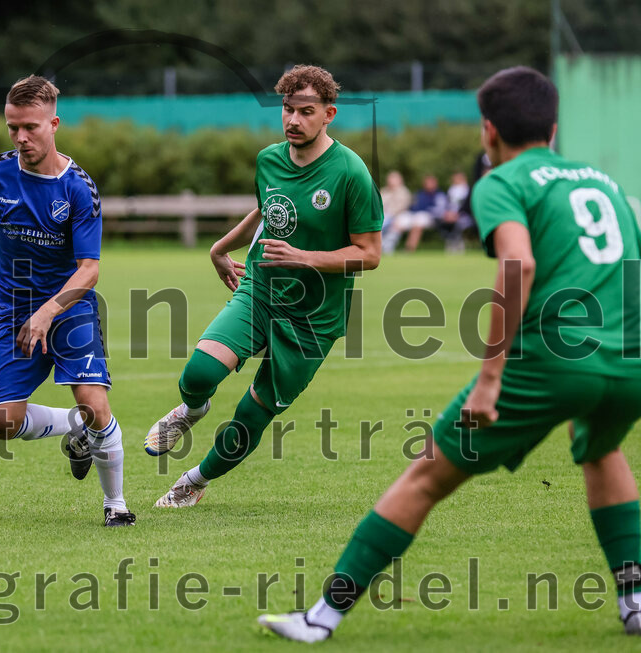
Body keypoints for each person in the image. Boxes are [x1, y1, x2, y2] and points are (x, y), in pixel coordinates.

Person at [259, 66, 641, 642]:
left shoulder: (502, 182)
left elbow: (519, 264)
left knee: (424, 478)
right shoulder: (606, 184)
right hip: (628, 362)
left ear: (489, 130)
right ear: (554, 129)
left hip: (552, 363)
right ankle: (634, 599)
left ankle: (322, 617)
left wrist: (490, 380)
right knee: (603, 450)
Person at [145, 64, 383, 508]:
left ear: (329, 114)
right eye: (288, 109)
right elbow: (265, 211)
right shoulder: (268, 160)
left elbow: (369, 253)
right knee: (198, 374)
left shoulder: (352, 173)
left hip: (314, 318)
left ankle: (193, 482)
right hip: (261, 290)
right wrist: (220, 248)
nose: (293, 119)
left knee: (251, 415)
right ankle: (191, 411)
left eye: (306, 111)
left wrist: (305, 257)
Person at [0, 75, 135, 527]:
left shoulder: (78, 188)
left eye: (30, 127)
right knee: (1, 422)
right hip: (12, 309)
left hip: (69, 306)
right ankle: (76, 427)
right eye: (13, 127)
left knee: (95, 403)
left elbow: (88, 270)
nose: (20, 137)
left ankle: (116, 505)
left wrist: (48, 312)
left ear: (54, 124)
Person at [382, 174, 447, 253]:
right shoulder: (420, 193)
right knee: (400, 221)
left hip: (429, 216)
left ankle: (409, 249)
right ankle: (387, 245)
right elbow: (412, 206)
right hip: (413, 214)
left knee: (418, 221)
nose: (428, 184)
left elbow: (439, 210)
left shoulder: (439, 195)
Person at [437, 170, 474, 252]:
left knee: (458, 224)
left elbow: (467, 205)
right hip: (451, 215)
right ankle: (450, 241)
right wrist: (447, 213)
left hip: (464, 215)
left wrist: (457, 214)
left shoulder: (468, 190)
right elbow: (448, 204)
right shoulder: (451, 190)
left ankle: (458, 243)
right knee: (441, 222)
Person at [380, 170, 412, 235]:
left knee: (395, 225)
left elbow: (402, 207)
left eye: (393, 179)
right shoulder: (384, 191)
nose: (391, 181)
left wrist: (392, 216)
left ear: (399, 180)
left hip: (398, 215)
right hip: (383, 214)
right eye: (390, 179)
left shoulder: (403, 192)